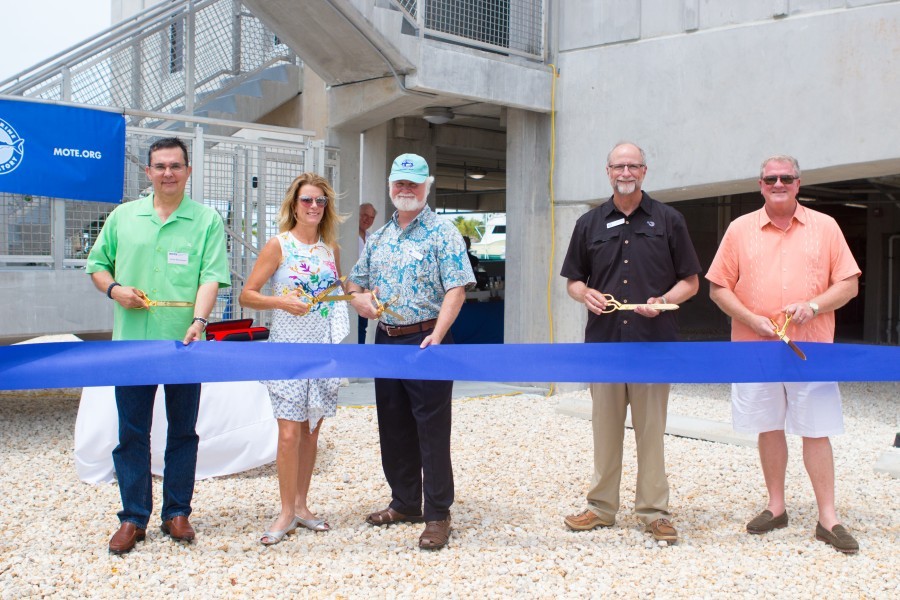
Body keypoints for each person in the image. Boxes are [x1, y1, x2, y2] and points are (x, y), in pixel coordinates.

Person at [707, 154, 861, 554]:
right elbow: (718, 288)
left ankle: (828, 517)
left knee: (816, 427)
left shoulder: (826, 227)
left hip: (810, 348)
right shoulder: (739, 229)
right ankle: (776, 507)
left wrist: (813, 305)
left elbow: (848, 284)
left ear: (798, 183)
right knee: (768, 425)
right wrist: (751, 317)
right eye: (770, 178)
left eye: (785, 178)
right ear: (760, 184)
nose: (778, 183)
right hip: (754, 346)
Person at [86, 137, 231, 554]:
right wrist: (115, 290)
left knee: (183, 431)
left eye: (176, 166)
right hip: (130, 347)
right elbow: (97, 266)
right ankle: (133, 517)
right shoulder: (123, 217)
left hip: (183, 346)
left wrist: (199, 321)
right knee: (132, 433)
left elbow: (210, 276)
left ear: (187, 171)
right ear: (147, 172)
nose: (168, 173)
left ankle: (177, 513)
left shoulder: (205, 222)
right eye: (160, 166)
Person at [560, 141, 701, 544]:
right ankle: (601, 508)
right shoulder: (588, 223)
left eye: (633, 166)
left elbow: (690, 282)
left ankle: (654, 512)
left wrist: (665, 300)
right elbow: (573, 280)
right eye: (618, 166)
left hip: (653, 345)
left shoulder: (669, 220)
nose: (625, 172)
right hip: (604, 346)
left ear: (644, 171)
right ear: (608, 172)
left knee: (651, 431)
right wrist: (582, 293)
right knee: (604, 430)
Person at [345, 153, 475, 550]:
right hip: (386, 340)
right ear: (390, 187)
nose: (406, 190)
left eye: (413, 184)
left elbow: (456, 287)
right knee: (394, 425)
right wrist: (359, 300)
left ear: (426, 187)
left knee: (431, 431)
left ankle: (437, 513)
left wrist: (438, 334)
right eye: (399, 184)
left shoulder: (442, 233)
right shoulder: (380, 236)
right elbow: (353, 281)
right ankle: (405, 502)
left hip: (426, 341)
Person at [239, 172, 349, 545]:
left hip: (322, 351)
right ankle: (285, 511)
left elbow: (337, 296)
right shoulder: (278, 246)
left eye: (320, 201)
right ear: (294, 205)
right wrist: (280, 301)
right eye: (307, 200)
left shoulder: (330, 250)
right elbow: (248, 295)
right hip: (285, 348)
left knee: (311, 430)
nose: (314, 206)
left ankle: (302, 505)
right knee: (288, 433)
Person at [357, 202, 378, 343]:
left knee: (362, 327)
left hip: (366, 293)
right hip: (351, 291)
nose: (367, 220)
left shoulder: (372, 239)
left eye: (371, 217)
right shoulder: (348, 236)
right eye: (364, 215)